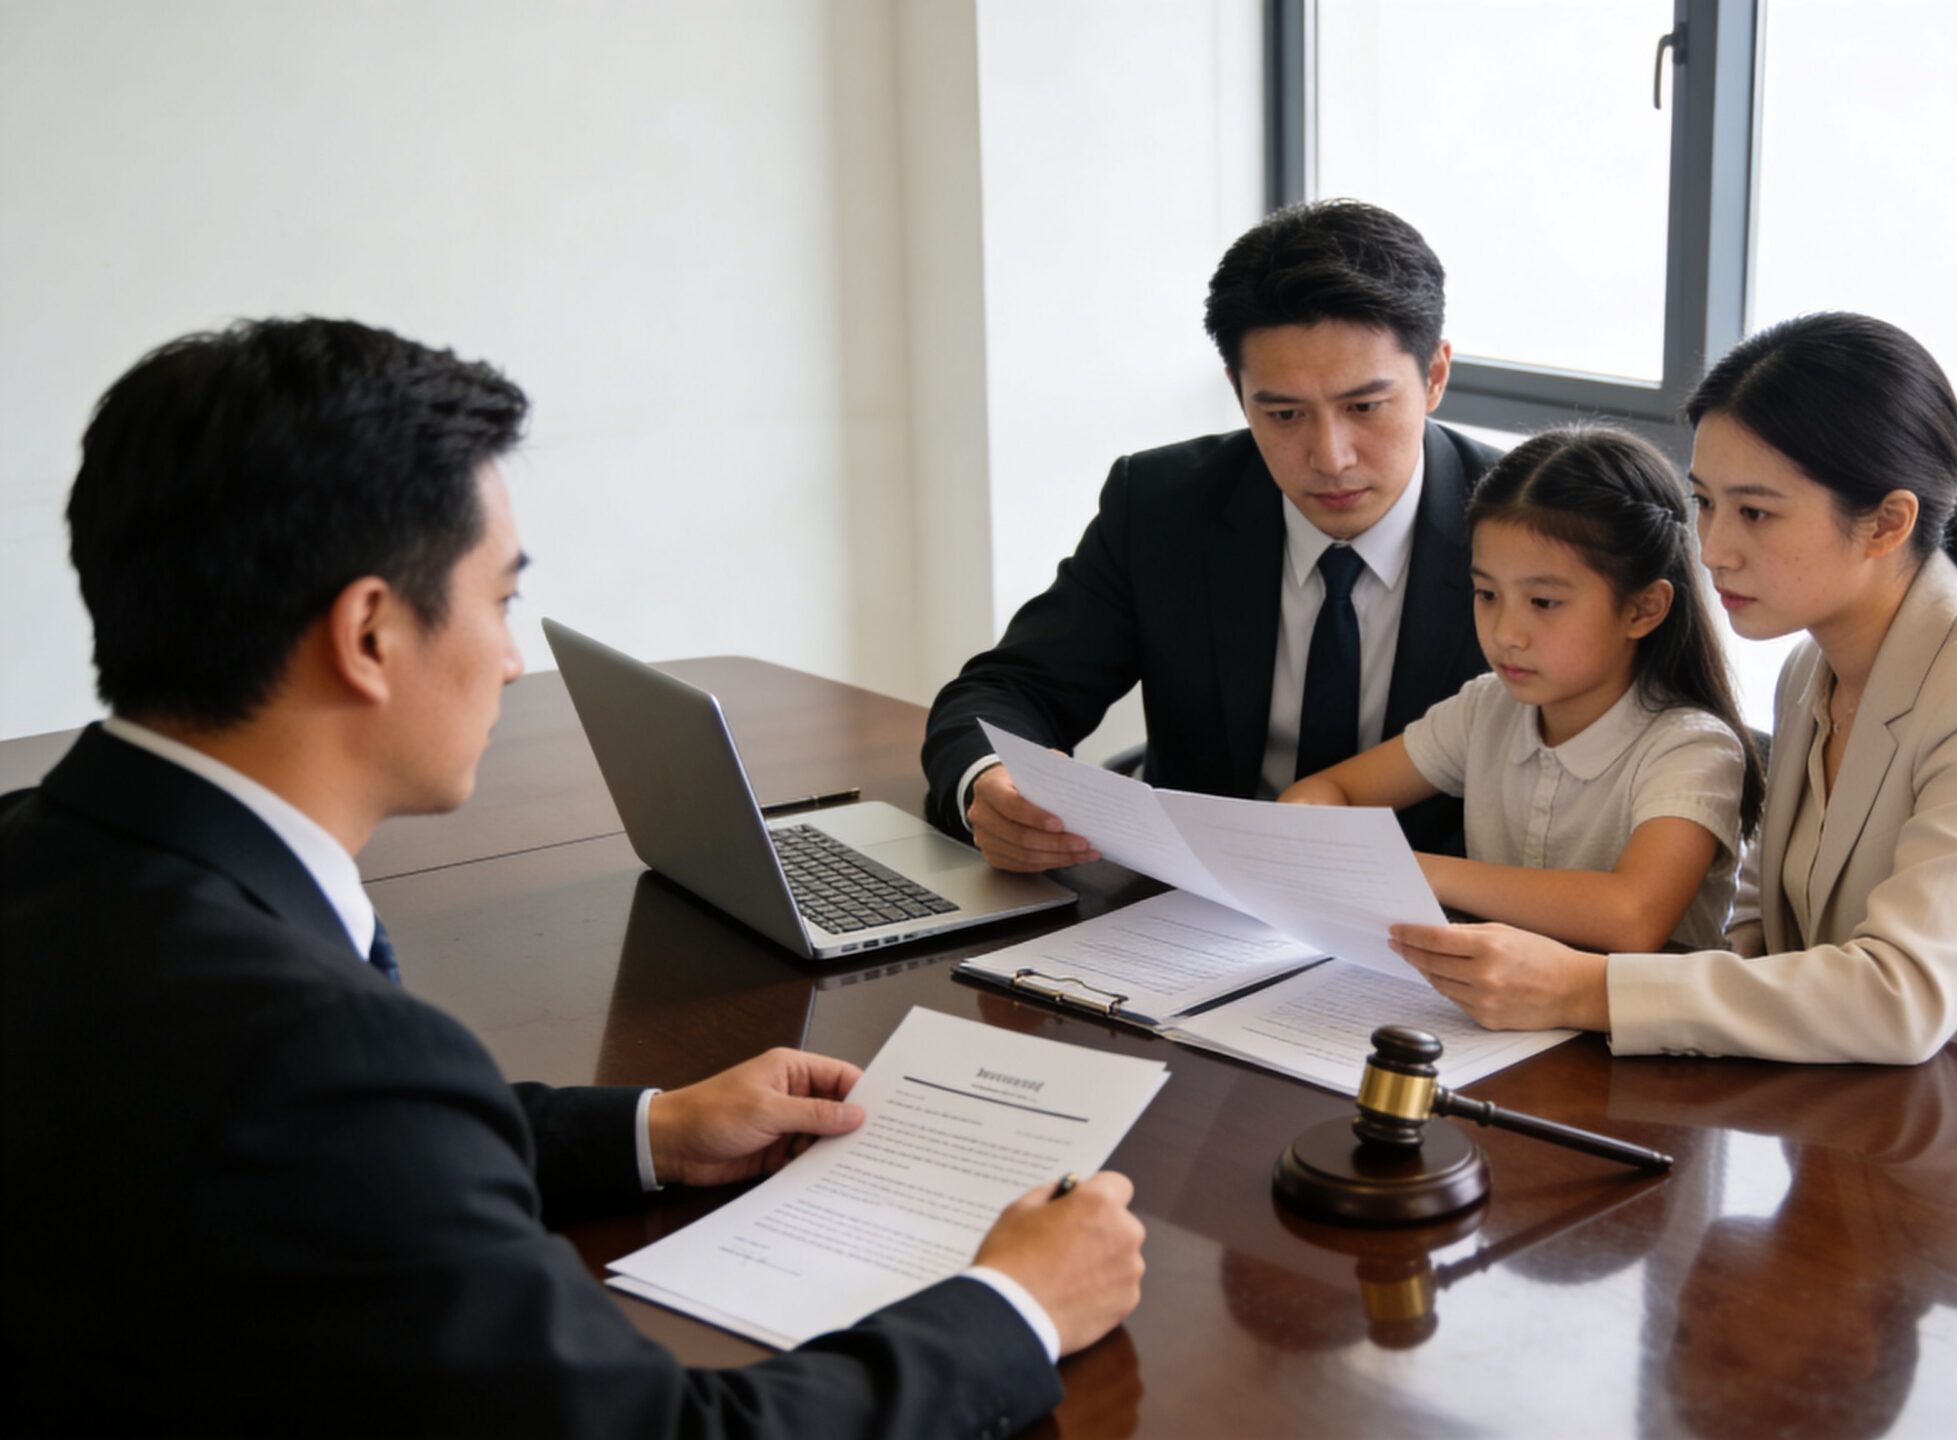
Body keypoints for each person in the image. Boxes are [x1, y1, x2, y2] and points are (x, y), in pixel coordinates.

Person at [0, 318, 1146, 1438]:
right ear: (368, 634)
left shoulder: (42, 850)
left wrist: (650, 1130)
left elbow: (304, 1149)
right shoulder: (316, 1057)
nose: (508, 659)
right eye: (498, 601)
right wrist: (1015, 1309)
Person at [1389, 313, 1957, 1111]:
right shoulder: (1812, 667)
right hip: (1867, 1107)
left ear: (1887, 522)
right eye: (1704, 503)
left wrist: (1585, 988)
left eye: (1756, 513)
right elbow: (1765, 919)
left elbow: (1900, 994)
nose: (1715, 547)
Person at [922, 199, 1504, 871]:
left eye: (1364, 407)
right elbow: (1006, 693)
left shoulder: (1540, 529)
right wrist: (989, 785)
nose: (1330, 455)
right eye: (1283, 413)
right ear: (1237, 390)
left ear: (1434, 375)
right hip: (1193, 908)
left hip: (1448, 926)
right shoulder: (1165, 506)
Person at [1280, 425, 1764, 953]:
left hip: (1634, 1032)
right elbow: (1328, 791)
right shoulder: (1486, 709)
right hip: (1498, 1015)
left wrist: (1408, 870)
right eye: (1487, 593)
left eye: (1543, 603)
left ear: (1643, 608)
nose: (1505, 633)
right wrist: (1310, 830)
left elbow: (1631, 916)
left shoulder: (1692, 749)